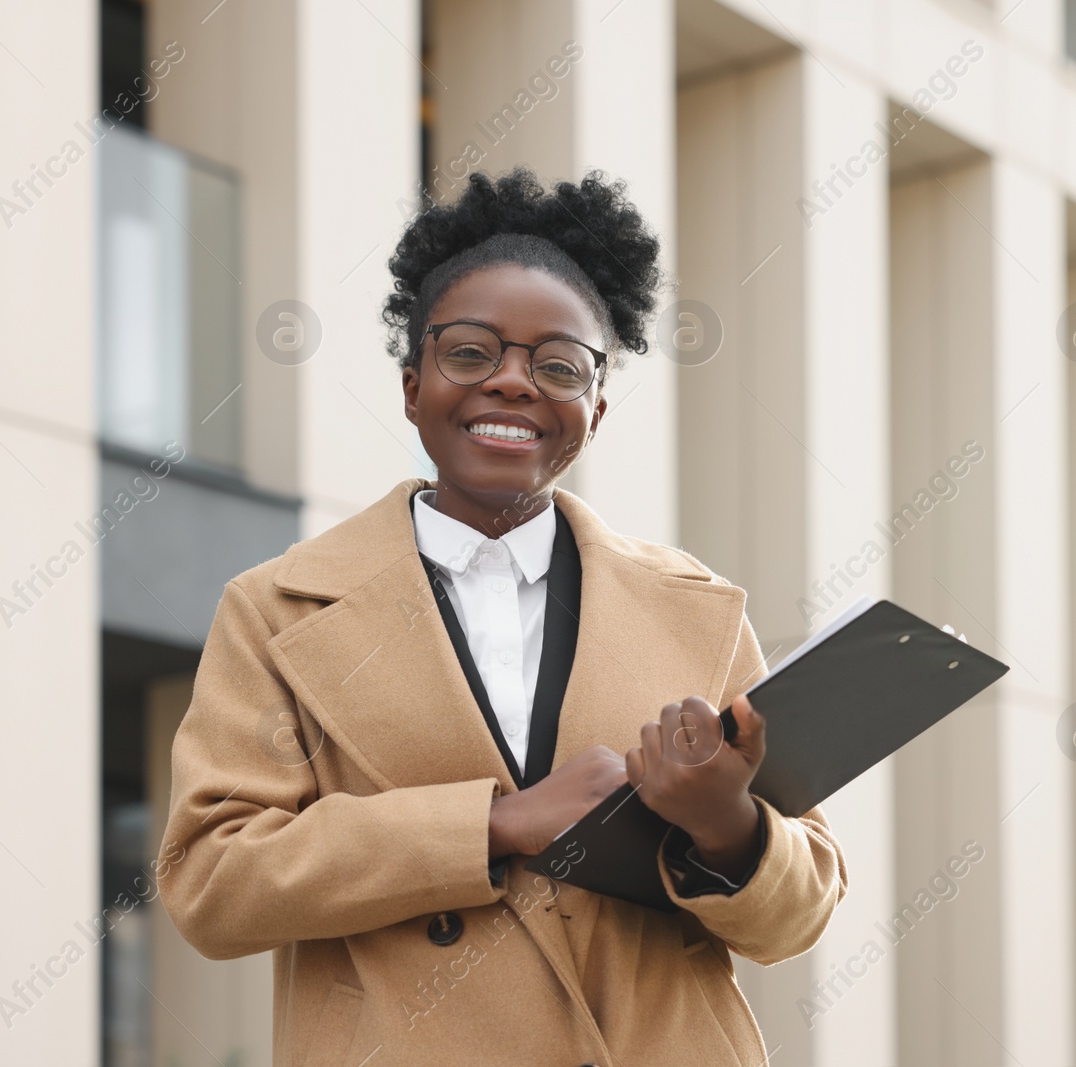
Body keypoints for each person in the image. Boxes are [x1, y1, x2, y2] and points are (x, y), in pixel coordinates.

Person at [157, 169, 846, 1067]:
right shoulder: (276, 609)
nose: (514, 383)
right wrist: (490, 825)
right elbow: (212, 883)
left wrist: (729, 826)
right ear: (412, 387)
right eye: (471, 352)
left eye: (558, 366)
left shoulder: (699, 612)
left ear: (594, 411)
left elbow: (795, 919)